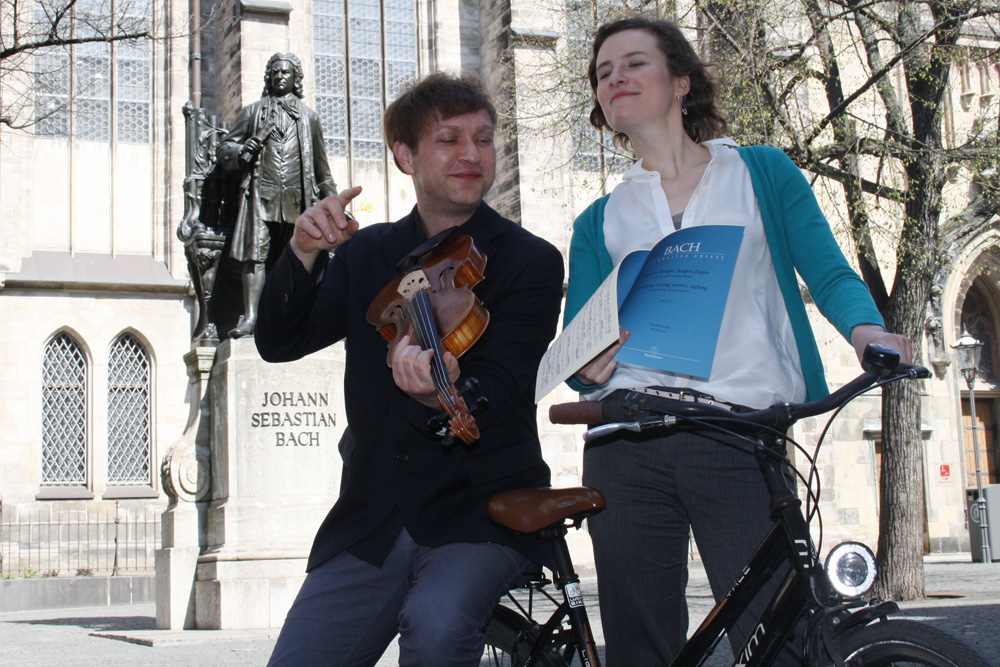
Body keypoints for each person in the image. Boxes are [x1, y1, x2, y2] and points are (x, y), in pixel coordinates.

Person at [565, 16, 913, 666]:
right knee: (642, 651)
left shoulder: (764, 173)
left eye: (633, 63)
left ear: (682, 81)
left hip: (739, 433)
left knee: (779, 636)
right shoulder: (598, 218)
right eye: (603, 73)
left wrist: (868, 334)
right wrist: (586, 362)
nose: (615, 78)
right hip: (626, 445)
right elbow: (576, 350)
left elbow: (829, 270)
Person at [254, 72, 564, 666]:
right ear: (406, 156)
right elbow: (280, 341)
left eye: (484, 138)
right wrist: (302, 252)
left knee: (438, 628)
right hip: (372, 516)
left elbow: (503, 382)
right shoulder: (367, 252)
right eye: (449, 140)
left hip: (482, 512)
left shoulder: (530, 260)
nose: (472, 154)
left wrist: (441, 388)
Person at [218, 52, 338, 338]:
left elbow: (322, 169)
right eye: (275, 72)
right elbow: (224, 150)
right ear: (268, 77)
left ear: (296, 78)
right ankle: (252, 317)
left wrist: (334, 203)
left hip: (297, 197)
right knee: (254, 255)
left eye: (285, 72)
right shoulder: (252, 112)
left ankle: (295, 315)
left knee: (300, 257)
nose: (280, 77)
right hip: (261, 195)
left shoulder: (309, 118)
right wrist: (242, 150)